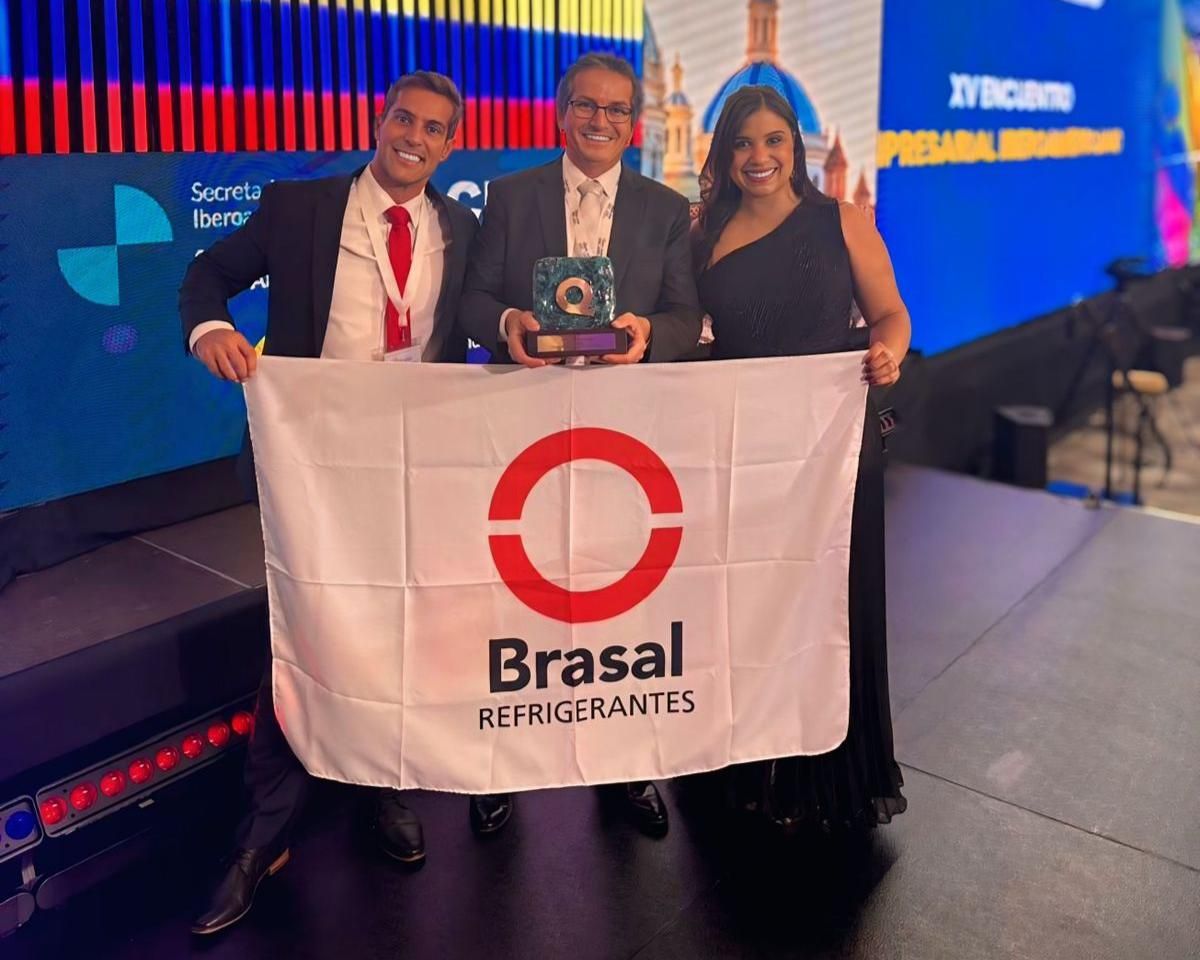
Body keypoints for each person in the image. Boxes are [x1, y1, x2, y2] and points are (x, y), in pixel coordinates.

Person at [179, 71, 512, 936]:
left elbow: (480, 325)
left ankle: (387, 795)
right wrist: (211, 327)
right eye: (405, 118)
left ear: (451, 146)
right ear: (382, 120)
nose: (416, 136)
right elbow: (207, 274)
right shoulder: (299, 207)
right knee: (302, 635)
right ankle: (266, 838)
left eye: (436, 129)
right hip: (312, 466)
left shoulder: (461, 226)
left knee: (403, 628)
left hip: (414, 466)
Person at [458, 52, 704, 835]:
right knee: (513, 599)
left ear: (636, 123)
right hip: (524, 423)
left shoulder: (667, 208)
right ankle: (499, 768)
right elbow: (474, 299)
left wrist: (644, 336)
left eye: (618, 110)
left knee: (620, 602)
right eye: (587, 107)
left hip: (623, 433)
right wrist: (506, 326)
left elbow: (683, 318)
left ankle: (622, 765)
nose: (602, 121)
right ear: (562, 112)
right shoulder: (509, 195)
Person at [693, 84, 909, 833]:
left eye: (774, 140)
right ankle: (747, 767)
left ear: (797, 148)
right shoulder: (701, 236)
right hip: (748, 455)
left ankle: (831, 779)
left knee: (833, 611)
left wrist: (890, 354)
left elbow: (891, 313)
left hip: (835, 452)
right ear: (724, 154)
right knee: (751, 613)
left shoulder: (840, 222)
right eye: (744, 143)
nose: (760, 156)